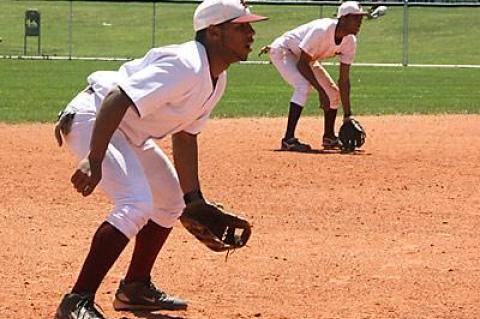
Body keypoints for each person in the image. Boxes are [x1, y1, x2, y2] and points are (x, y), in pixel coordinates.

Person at [53, 0, 267, 318]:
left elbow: (185, 135)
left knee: (169, 203)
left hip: (125, 130)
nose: (251, 33)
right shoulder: (186, 64)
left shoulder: (216, 78)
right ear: (214, 32)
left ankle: (135, 288)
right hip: (95, 117)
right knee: (136, 203)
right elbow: (118, 97)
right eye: (241, 27)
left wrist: (194, 199)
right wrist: (94, 159)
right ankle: (76, 301)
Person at [261, 1, 368, 152]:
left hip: (305, 58)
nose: (360, 22)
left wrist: (347, 116)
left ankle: (329, 137)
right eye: (356, 18)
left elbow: (344, 80)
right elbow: (302, 64)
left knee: (333, 93)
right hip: (284, 51)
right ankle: (288, 140)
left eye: (361, 19)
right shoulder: (322, 30)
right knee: (303, 86)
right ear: (343, 18)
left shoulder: (350, 41)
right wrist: (320, 91)